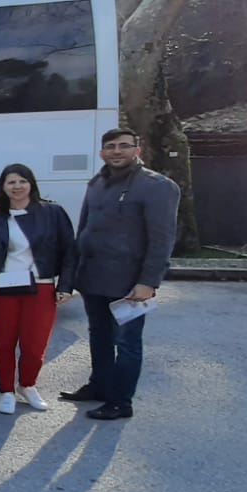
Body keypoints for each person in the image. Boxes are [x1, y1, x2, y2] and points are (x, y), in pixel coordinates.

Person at [62, 128, 180, 420]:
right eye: (111, 147)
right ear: (102, 153)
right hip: (93, 277)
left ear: (137, 150)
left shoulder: (157, 186)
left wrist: (149, 281)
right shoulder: (96, 183)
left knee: (127, 342)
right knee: (99, 335)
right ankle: (99, 386)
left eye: (124, 146)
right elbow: (84, 229)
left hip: (130, 283)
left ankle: (121, 402)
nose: (117, 151)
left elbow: (162, 239)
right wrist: (74, 272)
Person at [0, 164, 77, 414]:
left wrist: (65, 285)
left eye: (22, 181)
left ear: (31, 184)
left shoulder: (52, 212)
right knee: (4, 343)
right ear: (2, 187)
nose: (17, 186)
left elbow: (70, 252)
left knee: (34, 345)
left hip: (41, 286)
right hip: (2, 288)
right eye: (11, 182)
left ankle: (27, 385)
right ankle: (6, 391)